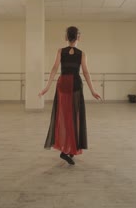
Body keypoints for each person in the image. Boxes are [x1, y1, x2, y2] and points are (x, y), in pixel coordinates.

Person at [39, 26, 101, 165]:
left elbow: (54, 69)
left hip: (63, 84)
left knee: (64, 117)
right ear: (78, 37)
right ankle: (68, 150)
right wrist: (92, 90)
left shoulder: (60, 51)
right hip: (75, 85)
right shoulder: (82, 54)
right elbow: (85, 72)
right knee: (74, 117)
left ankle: (69, 149)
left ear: (66, 37)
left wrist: (46, 87)